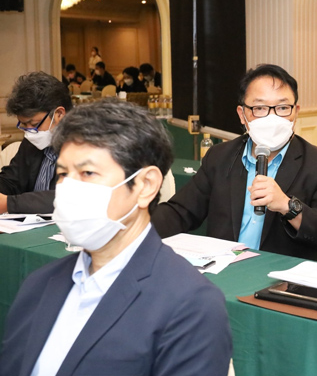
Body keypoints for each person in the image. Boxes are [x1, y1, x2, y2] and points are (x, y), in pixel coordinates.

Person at [0, 99, 232, 376]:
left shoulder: (191, 305)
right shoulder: (39, 283)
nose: (69, 188)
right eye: (62, 174)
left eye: (88, 173)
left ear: (145, 185)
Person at [153, 64, 317, 261]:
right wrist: (138, 228)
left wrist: (287, 205)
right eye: (260, 108)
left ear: (296, 112)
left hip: (279, 274)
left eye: (282, 108)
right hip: (224, 269)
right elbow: (180, 212)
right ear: (242, 114)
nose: (272, 117)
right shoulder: (220, 157)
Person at [0, 72, 72, 213]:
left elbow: (72, 196)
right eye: (24, 125)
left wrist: (9, 204)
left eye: (34, 124)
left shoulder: (87, 144)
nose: (29, 131)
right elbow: (11, 180)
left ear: (59, 114)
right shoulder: (31, 143)